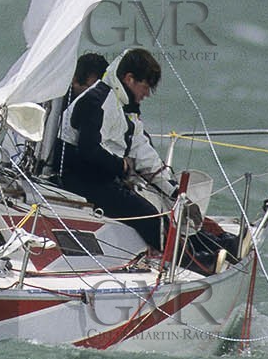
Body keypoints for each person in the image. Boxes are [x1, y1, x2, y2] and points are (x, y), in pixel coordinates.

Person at [57, 48, 177, 251]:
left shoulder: (124, 106)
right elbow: (89, 149)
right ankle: (191, 259)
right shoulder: (98, 100)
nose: (147, 94)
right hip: (79, 180)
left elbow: (142, 151)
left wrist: (172, 190)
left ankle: (212, 247)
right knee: (150, 217)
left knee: (159, 213)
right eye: (145, 87)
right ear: (129, 79)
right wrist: (121, 166)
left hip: (100, 179)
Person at [50, 51, 108, 181]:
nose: (94, 94)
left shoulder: (102, 103)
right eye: (90, 88)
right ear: (75, 80)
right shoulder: (57, 103)